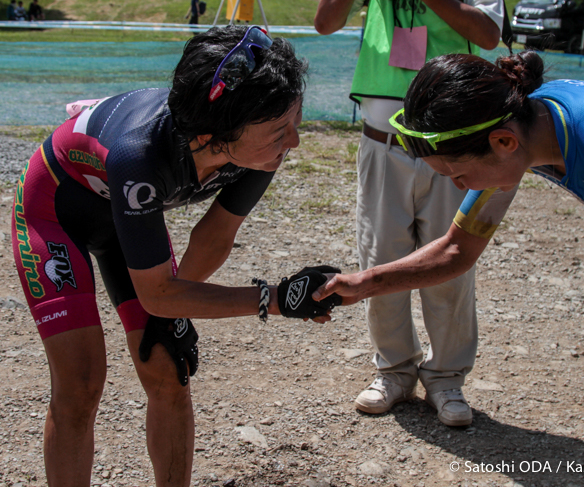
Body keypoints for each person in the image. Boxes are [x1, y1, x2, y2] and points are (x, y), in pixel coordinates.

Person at [315, 51, 584, 486]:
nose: (459, 187)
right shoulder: (526, 125)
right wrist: (362, 283)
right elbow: (457, 250)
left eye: (458, 175)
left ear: (503, 142)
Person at [11, 25, 341, 487]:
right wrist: (273, 298)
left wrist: (171, 313)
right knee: (81, 385)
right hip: (56, 211)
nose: (294, 142)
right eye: (278, 131)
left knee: (169, 369)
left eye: (295, 122)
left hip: (123, 209)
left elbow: (213, 238)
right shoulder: (139, 155)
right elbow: (160, 293)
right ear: (217, 131)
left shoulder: (256, 151)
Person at [314, 0, 506, 427]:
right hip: (381, 143)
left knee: (449, 262)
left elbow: (490, 34)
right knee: (380, 257)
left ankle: (446, 378)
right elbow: (325, 23)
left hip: (450, 145)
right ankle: (394, 372)